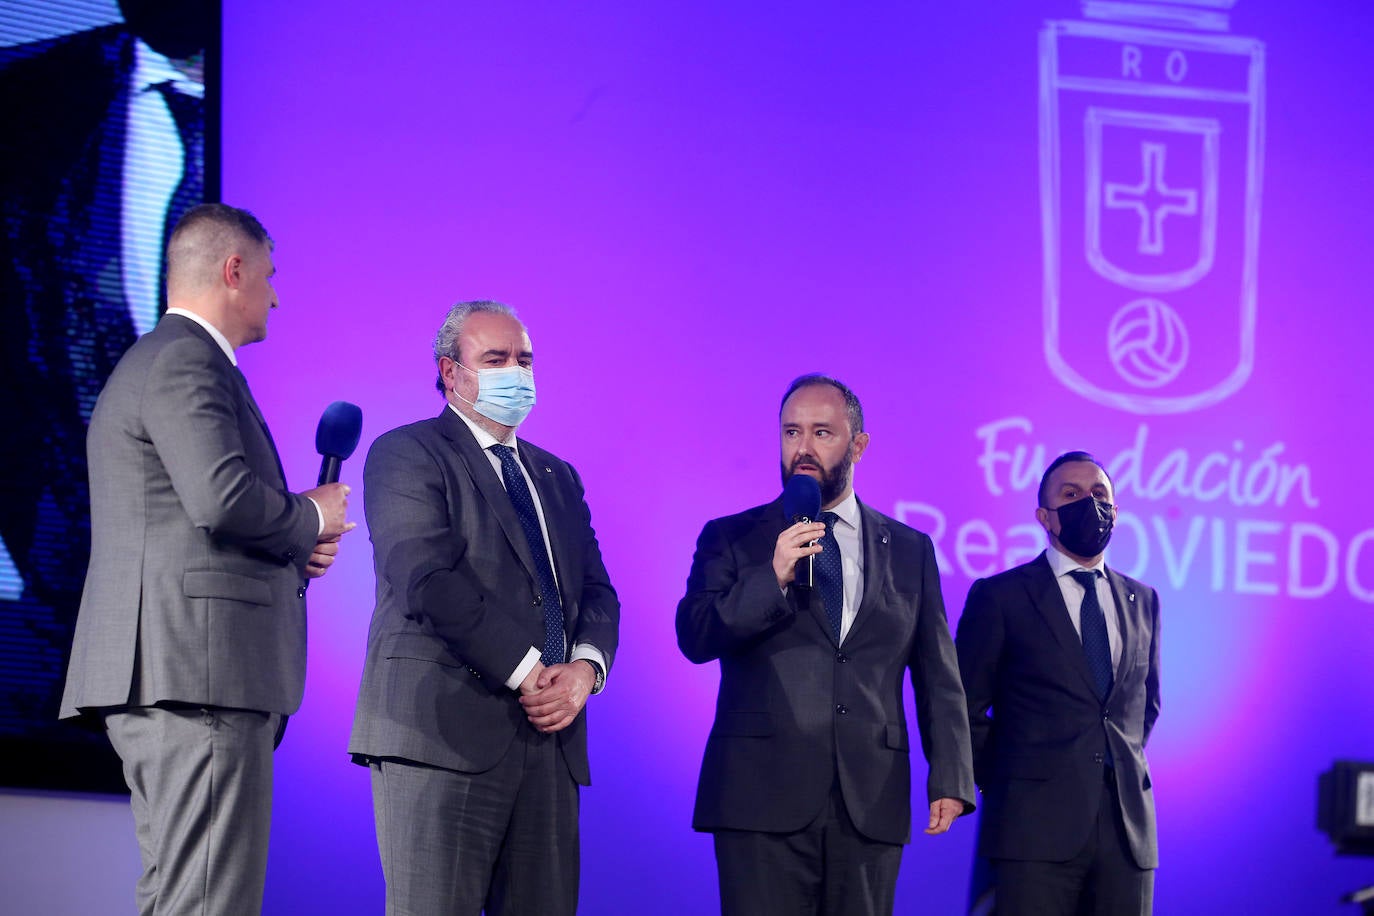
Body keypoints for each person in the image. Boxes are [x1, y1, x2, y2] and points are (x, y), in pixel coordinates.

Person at [58, 202, 353, 915]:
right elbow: (220, 498)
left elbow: (191, 514)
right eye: (270, 277)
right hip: (199, 676)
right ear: (234, 270)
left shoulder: (163, 359)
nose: (275, 297)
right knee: (208, 901)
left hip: (180, 675)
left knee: (182, 897)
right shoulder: (187, 359)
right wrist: (310, 515)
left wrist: (289, 544)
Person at [348, 300, 620, 915]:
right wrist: (530, 672)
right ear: (451, 372)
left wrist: (584, 671)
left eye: (525, 360)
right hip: (440, 736)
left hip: (550, 744)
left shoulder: (557, 475)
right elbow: (426, 579)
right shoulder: (407, 452)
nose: (515, 373)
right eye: (495, 360)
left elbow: (597, 591)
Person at [676, 373, 975, 915]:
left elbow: (939, 676)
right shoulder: (732, 536)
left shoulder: (910, 550)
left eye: (822, 433)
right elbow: (695, 636)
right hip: (759, 798)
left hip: (869, 800)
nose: (803, 448)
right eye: (791, 432)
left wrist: (951, 775)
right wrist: (772, 578)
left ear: (858, 445)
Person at [955, 451, 1162, 915]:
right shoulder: (1001, 596)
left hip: (1127, 834)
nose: (1090, 503)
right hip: (1031, 829)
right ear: (1044, 516)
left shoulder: (1143, 600)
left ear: (1116, 511)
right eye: (1071, 494)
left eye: (1100, 494)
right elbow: (963, 707)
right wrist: (1013, 780)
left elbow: (1144, 708)